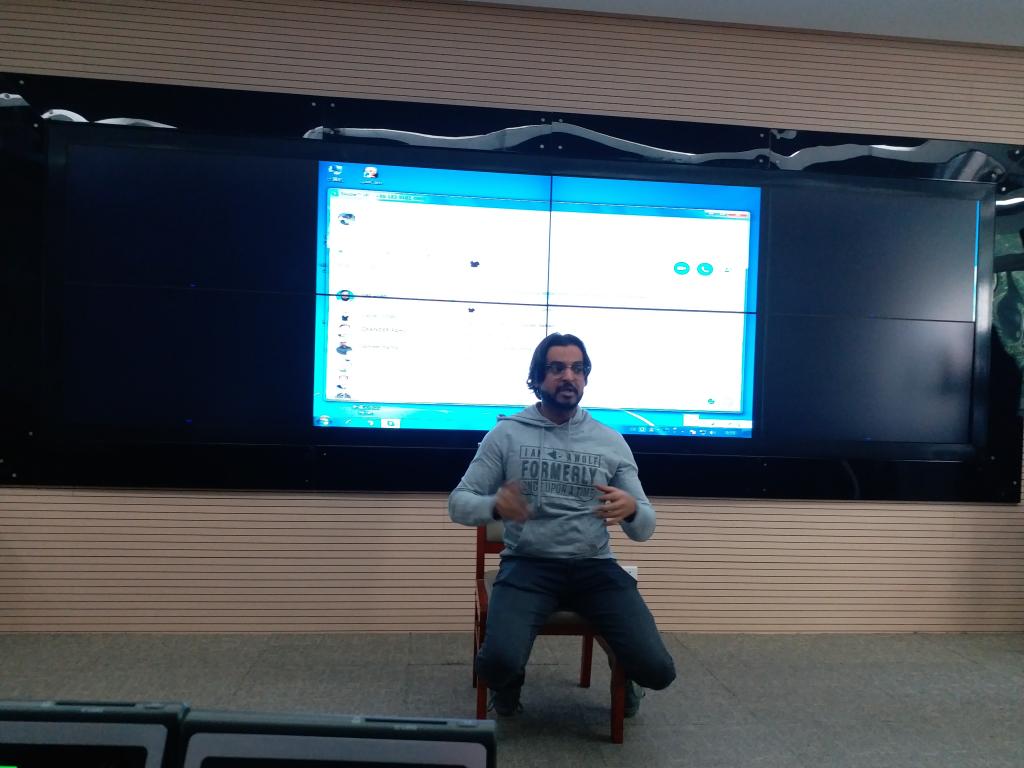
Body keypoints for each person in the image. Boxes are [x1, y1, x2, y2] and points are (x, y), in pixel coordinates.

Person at [448, 332, 676, 717]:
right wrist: (495, 506)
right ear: (537, 378)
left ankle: (627, 673)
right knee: (497, 665)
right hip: (528, 566)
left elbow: (645, 528)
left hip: (595, 567)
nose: (568, 376)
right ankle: (509, 679)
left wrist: (632, 510)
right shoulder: (506, 434)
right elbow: (458, 504)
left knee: (658, 671)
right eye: (557, 368)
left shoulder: (610, 441)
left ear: (586, 377)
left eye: (577, 368)